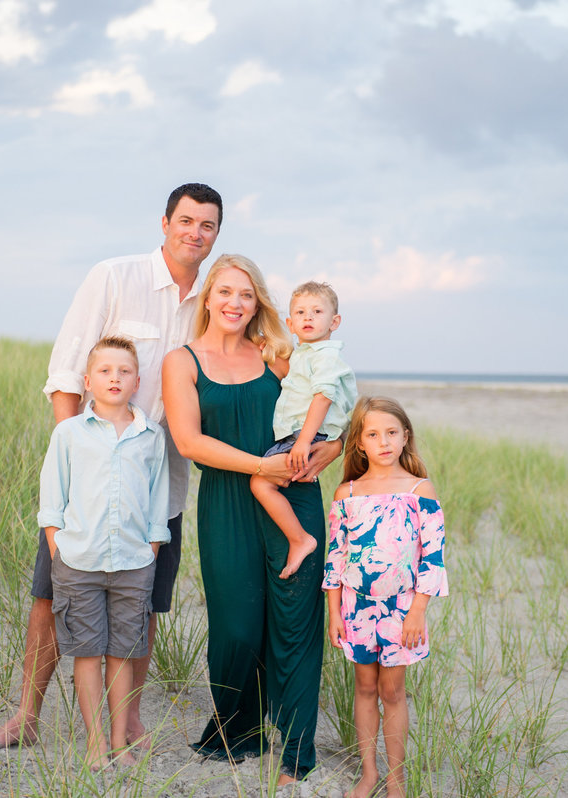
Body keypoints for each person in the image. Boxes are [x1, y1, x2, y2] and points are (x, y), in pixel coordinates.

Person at [0, 182, 222, 751]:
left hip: (160, 483)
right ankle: (27, 717)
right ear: (164, 223)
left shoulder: (213, 301)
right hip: (88, 483)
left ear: (215, 235)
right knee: (51, 596)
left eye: (207, 225)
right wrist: (71, 462)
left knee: (144, 605)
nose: (194, 232)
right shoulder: (114, 277)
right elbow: (66, 374)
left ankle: (127, 723)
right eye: (186, 220)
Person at [161, 254, 344, 785]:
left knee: (293, 628)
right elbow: (189, 441)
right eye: (225, 292)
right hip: (226, 503)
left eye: (246, 294)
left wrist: (329, 452)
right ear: (208, 299)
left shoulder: (277, 353)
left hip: (294, 499)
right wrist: (258, 466)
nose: (235, 303)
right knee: (239, 628)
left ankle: (294, 752)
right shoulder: (182, 361)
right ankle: (239, 729)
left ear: (257, 302)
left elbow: (327, 407)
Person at [38, 336, 169, 770]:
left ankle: (119, 743)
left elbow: (158, 499)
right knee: (87, 653)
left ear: (136, 381)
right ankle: (95, 743)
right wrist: (59, 549)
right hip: (79, 563)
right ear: (89, 381)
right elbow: (52, 499)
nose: (115, 377)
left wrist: (150, 549)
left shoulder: (151, 436)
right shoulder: (69, 432)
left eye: (124, 371)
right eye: (106, 371)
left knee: (123, 654)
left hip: (133, 564)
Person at [323, 396, 449, 798]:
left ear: (405, 436)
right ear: (359, 442)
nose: (383, 442)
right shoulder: (347, 493)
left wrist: (418, 612)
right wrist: (334, 614)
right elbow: (335, 558)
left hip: (401, 610)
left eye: (392, 433)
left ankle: (397, 778)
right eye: (373, 434)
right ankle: (369, 773)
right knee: (363, 687)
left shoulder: (419, 489)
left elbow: (433, 557)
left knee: (392, 691)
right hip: (356, 608)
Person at [250, 281, 356, 579]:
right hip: (300, 435)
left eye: (317, 311)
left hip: (306, 436)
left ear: (334, 321)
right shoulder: (304, 354)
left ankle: (300, 540)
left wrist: (304, 441)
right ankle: (297, 537)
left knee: (260, 484)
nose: (308, 318)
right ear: (290, 324)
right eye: (300, 312)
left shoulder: (325, 356)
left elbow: (323, 398)